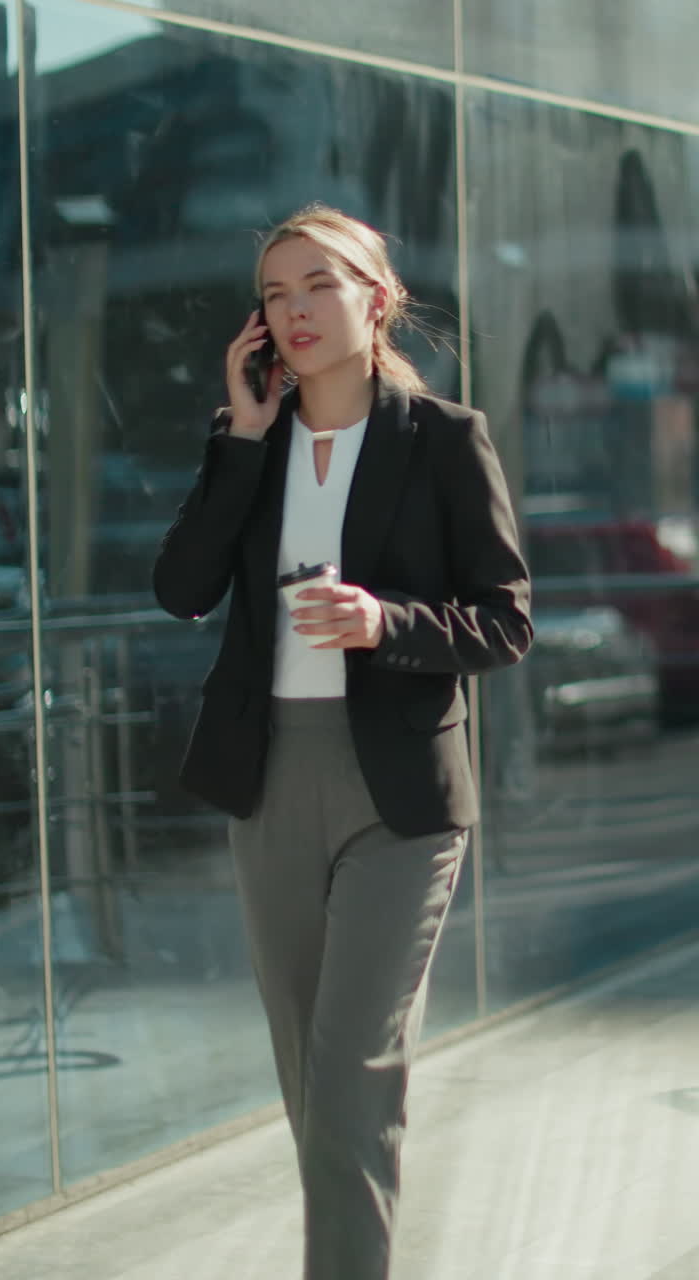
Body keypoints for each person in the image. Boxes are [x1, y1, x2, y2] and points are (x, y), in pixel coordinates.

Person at [153, 203, 532, 1280]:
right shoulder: (252, 444)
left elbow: (505, 622)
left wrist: (385, 622)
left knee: (352, 1068)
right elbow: (180, 587)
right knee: (309, 1081)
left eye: (320, 283)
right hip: (269, 778)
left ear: (378, 296)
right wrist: (241, 436)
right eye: (277, 292)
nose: (298, 309)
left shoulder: (445, 438)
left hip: (399, 795)